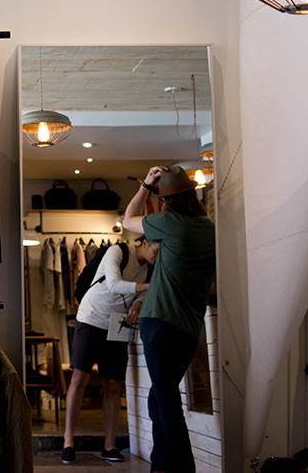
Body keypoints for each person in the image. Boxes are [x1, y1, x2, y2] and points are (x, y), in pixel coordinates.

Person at [122, 166, 216, 473]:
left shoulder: (168, 223)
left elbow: (127, 219)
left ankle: (183, 468)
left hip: (159, 323)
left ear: (166, 201)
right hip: (188, 329)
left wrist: (145, 185)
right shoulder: (210, 229)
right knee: (158, 398)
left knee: (167, 403)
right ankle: (160, 465)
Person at [62, 237, 160, 465]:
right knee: (80, 377)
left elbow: (141, 296)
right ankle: (68, 441)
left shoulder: (150, 268)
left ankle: (109, 445)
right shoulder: (118, 251)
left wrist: (138, 302)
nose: (157, 256)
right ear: (145, 242)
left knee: (114, 384)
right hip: (91, 317)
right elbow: (114, 284)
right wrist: (147, 287)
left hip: (118, 323)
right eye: (157, 250)